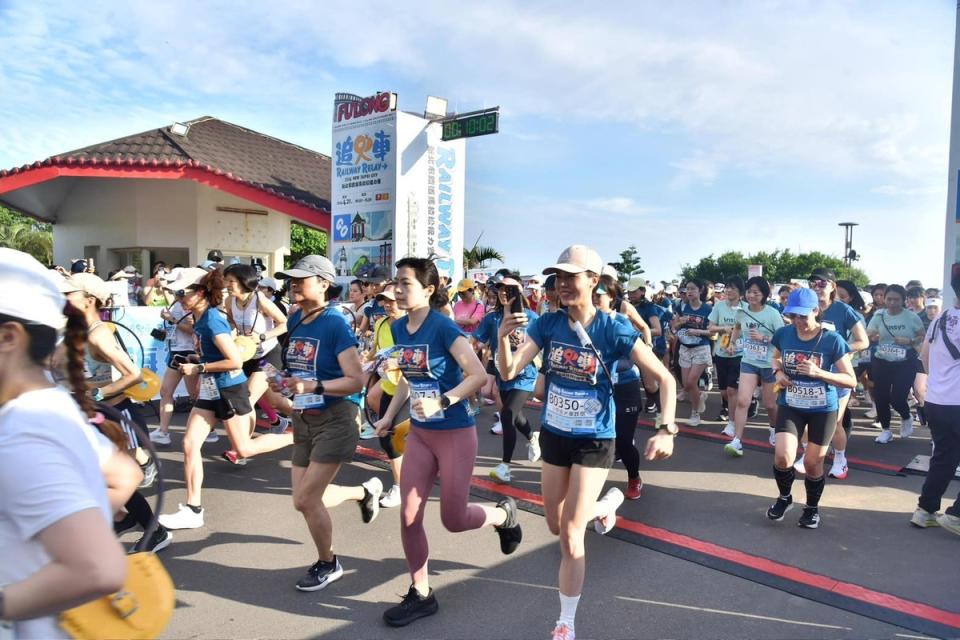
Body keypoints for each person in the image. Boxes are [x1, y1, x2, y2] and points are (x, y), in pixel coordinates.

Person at [495, 245, 677, 640]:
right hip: (556, 434)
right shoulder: (547, 324)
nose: (562, 285)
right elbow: (509, 370)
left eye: (571, 277)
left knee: (573, 535)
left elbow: (666, 379)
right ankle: (607, 504)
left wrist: (666, 428)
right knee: (555, 524)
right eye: (558, 278)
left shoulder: (613, 328)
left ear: (593, 281)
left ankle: (566, 621)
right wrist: (503, 337)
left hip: (596, 438)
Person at [373, 257, 521, 628]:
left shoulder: (444, 328)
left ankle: (504, 515)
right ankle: (421, 593)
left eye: (406, 283)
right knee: (409, 515)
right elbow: (409, 375)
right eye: (397, 282)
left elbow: (477, 375)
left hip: (455, 433)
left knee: (454, 520)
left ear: (428, 289)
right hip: (421, 434)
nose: (399, 289)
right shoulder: (398, 327)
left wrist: (442, 400)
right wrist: (390, 416)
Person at [0, 249, 129, 638]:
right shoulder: (52, 406)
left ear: (8, 337)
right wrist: (57, 524)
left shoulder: (21, 432)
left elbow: (96, 568)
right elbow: (124, 474)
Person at [269, 256, 382, 592]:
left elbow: (356, 381)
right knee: (302, 499)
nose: (292, 284)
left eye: (300, 279)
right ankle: (364, 491)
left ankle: (328, 562)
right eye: (290, 279)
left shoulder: (335, 323)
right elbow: (301, 370)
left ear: (323, 283)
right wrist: (285, 381)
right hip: (304, 416)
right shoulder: (295, 319)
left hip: (337, 417)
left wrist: (313, 387)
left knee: (306, 500)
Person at [158, 268, 290, 530]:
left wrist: (199, 368)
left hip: (246, 374)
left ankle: (302, 434)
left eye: (182, 292)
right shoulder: (211, 314)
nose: (178, 297)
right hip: (215, 385)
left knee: (245, 446)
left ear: (200, 293)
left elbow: (234, 361)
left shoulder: (217, 318)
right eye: (175, 292)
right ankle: (194, 509)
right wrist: (199, 360)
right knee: (189, 444)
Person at [768, 288, 856, 529]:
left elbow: (851, 380)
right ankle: (785, 498)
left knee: (812, 463)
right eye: (793, 315)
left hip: (822, 409)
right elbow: (774, 357)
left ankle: (811, 509)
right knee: (783, 456)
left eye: (803, 316)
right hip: (791, 404)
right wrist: (778, 373)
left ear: (816, 311)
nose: (798, 321)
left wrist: (820, 373)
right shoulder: (784, 334)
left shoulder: (832, 339)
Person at [474, 275, 541, 484]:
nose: (503, 293)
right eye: (500, 290)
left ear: (518, 293)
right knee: (515, 415)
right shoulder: (492, 318)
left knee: (508, 414)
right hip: (503, 374)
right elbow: (476, 341)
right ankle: (532, 437)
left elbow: (544, 343)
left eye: (508, 290)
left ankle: (505, 466)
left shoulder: (531, 318)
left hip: (526, 375)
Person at [803, 268, 868, 480]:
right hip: (811, 374)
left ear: (832, 286)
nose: (817, 287)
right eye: (813, 283)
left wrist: (842, 353)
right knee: (808, 420)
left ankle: (840, 459)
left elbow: (863, 341)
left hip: (838, 376)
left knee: (835, 422)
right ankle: (808, 456)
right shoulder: (807, 309)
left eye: (822, 283)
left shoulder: (843, 310)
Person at [911, 270, 960, 535]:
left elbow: (925, 358)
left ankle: (926, 510)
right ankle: (956, 516)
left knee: (944, 458)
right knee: (945, 457)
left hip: (938, 400)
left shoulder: (940, 318)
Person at [223, 263, 291, 442]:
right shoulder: (229, 301)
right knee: (275, 401)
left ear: (244, 281)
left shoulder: (260, 300)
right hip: (247, 356)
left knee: (247, 399)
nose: (227, 285)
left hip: (268, 357)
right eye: (226, 281)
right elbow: (231, 324)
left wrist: (262, 336)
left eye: (231, 281)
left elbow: (285, 324)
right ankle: (305, 419)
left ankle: (241, 448)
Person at [726, 276, 784, 455]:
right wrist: (732, 343)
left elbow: (783, 338)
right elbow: (736, 327)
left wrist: (764, 338)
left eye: (756, 292)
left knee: (770, 404)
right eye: (749, 291)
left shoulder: (772, 314)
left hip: (769, 363)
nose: (751, 295)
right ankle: (737, 440)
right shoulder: (742, 312)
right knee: (743, 401)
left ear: (764, 295)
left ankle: (774, 429)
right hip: (748, 361)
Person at [867, 285, 926, 444]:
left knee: (898, 398)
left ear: (903, 300)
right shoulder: (879, 316)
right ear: (885, 299)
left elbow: (922, 336)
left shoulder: (911, 317)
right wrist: (873, 336)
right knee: (881, 397)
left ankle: (906, 417)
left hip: (905, 362)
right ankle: (886, 430)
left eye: (896, 299)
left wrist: (910, 341)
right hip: (882, 361)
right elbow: (869, 334)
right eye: (889, 299)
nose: (892, 303)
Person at [366, 283, 406, 508]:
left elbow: (418, 356)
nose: (388, 305)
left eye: (392, 300)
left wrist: (397, 362)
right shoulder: (381, 323)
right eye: (385, 300)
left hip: (412, 390)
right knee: (388, 437)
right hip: (390, 387)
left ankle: (401, 487)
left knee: (392, 439)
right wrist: (365, 359)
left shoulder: (410, 325)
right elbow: (375, 352)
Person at [150, 289, 201, 445]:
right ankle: (163, 431)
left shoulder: (192, 305)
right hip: (175, 351)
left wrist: (171, 319)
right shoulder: (176, 303)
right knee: (166, 391)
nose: (169, 289)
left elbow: (193, 329)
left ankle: (206, 430)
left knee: (195, 396)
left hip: (189, 352)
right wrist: (166, 329)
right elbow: (177, 327)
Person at [671, 279, 713, 426]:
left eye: (692, 289)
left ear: (700, 290)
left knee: (690, 382)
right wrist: (679, 323)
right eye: (687, 289)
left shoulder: (708, 309)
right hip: (685, 347)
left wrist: (698, 331)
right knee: (687, 384)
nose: (689, 292)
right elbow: (674, 327)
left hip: (701, 347)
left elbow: (712, 333)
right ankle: (699, 397)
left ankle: (695, 415)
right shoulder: (681, 306)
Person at [709, 276, 747, 431]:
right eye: (727, 287)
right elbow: (711, 328)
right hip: (721, 352)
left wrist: (738, 333)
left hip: (740, 355)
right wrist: (723, 329)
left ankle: (731, 424)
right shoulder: (719, 307)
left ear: (740, 292)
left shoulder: (746, 308)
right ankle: (742, 403)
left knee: (732, 390)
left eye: (733, 288)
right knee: (724, 391)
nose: (729, 290)